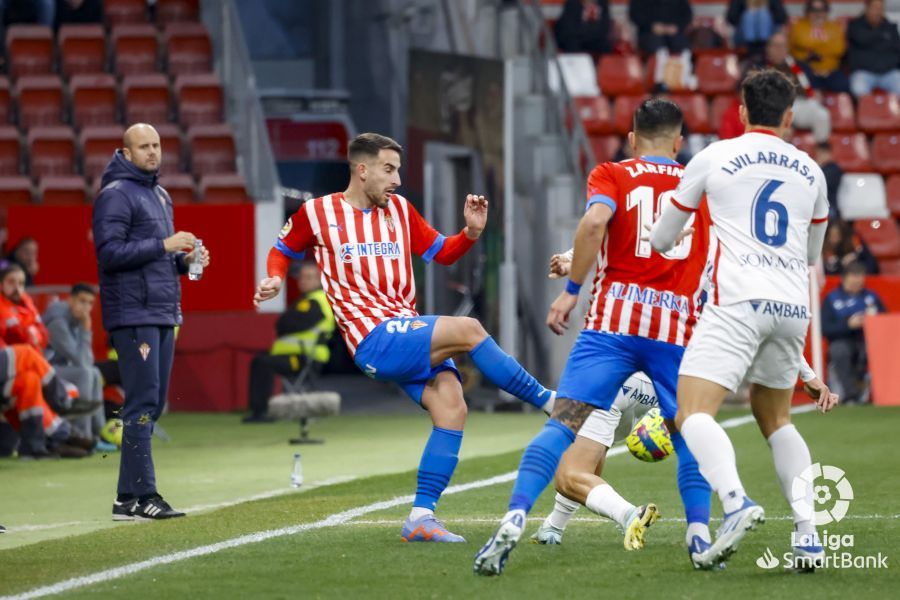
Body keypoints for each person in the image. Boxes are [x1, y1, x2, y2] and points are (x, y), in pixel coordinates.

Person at [255, 132, 556, 544]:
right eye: (389, 169)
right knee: (469, 330)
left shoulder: (399, 209)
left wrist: (469, 233)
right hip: (373, 337)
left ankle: (420, 518)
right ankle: (550, 402)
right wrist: (274, 277)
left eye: (398, 170)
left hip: (405, 329)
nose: (397, 179)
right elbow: (282, 249)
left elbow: (440, 253)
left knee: (452, 408)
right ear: (362, 170)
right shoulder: (318, 213)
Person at [474, 99, 716, 576]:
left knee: (560, 424)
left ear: (631, 138)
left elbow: (595, 223)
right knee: (691, 436)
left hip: (611, 327)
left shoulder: (612, 173)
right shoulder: (699, 186)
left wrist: (570, 290)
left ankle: (514, 517)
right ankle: (700, 537)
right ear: (679, 142)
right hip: (674, 330)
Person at [649, 68, 832, 571]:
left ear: (743, 111)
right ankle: (809, 535)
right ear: (790, 117)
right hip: (793, 306)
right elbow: (812, 252)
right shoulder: (811, 171)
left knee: (692, 413)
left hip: (738, 299)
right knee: (776, 420)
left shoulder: (714, 156)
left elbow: (663, 239)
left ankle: (735, 503)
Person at [92, 123, 210, 521]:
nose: (152, 152)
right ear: (125, 153)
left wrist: (185, 261)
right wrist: (165, 244)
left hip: (159, 310)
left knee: (151, 403)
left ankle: (128, 499)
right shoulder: (115, 195)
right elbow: (109, 254)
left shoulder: (158, 194)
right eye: (143, 146)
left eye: (156, 145)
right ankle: (143, 496)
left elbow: (154, 258)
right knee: (142, 403)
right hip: (133, 313)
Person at [244, 261, 335, 423]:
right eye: (301, 277)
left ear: (320, 280)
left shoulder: (315, 301)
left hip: (303, 358)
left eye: (308, 277)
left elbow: (286, 324)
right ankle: (261, 410)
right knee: (261, 360)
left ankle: (261, 411)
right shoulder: (310, 299)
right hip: (295, 356)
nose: (303, 280)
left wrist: (283, 322)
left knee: (262, 363)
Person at [43, 283, 106, 444]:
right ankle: (83, 435)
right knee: (85, 373)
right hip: (43, 370)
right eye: (82, 301)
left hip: (58, 369)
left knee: (94, 372)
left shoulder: (75, 318)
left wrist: (84, 328)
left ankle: (100, 433)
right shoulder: (57, 322)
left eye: (90, 303)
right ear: (70, 299)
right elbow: (80, 361)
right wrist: (86, 329)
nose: (86, 307)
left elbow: (87, 361)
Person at [822, 261, 885, 404]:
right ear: (844, 278)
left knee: (874, 350)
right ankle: (851, 395)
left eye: (860, 279)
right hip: (842, 340)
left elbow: (884, 320)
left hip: (868, 340)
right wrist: (848, 324)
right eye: (854, 278)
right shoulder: (832, 299)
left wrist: (871, 321)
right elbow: (825, 328)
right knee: (839, 350)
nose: (858, 282)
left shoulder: (871, 297)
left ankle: (874, 391)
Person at [756, 32, 831, 143]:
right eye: (776, 46)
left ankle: (821, 153)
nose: (779, 49)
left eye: (782, 46)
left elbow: (815, 86)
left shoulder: (800, 65)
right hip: (775, 106)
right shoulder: (759, 67)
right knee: (781, 120)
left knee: (822, 115)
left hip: (802, 103)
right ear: (768, 48)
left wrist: (816, 93)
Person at [788, 0, 850, 93]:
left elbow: (839, 49)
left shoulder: (834, 27)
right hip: (807, 70)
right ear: (807, 12)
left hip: (831, 70)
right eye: (814, 10)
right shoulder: (799, 26)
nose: (818, 14)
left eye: (822, 10)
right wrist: (826, 44)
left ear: (827, 12)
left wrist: (812, 47)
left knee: (844, 85)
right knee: (800, 84)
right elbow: (800, 41)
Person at [629, 0, 693, 87]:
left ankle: (682, 80)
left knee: (682, 45)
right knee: (656, 45)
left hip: (674, 33)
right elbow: (634, 14)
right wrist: (651, 26)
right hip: (648, 33)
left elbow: (687, 14)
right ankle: (658, 82)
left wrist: (676, 27)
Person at [846, 0, 900, 98]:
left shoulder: (890, 27)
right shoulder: (855, 26)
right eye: (875, 8)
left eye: (881, 9)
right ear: (867, 9)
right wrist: (882, 36)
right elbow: (861, 38)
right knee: (859, 88)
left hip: (888, 73)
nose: (878, 12)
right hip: (864, 73)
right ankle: (868, 113)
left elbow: (897, 50)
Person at [0, 262, 48, 350]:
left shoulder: (27, 302)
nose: (17, 287)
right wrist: (31, 333)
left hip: (32, 354)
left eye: (21, 283)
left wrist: (33, 335)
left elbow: (44, 334)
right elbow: (16, 336)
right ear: (1, 285)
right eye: (11, 282)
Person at [815, 141, 842, 219]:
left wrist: (818, 166)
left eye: (823, 153)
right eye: (818, 153)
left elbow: (820, 183)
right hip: (815, 204)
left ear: (829, 153)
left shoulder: (834, 169)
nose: (820, 156)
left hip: (829, 205)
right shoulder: (815, 168)